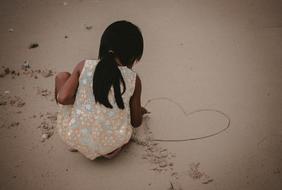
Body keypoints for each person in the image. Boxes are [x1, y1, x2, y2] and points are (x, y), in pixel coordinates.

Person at [54, 20, 148, 160]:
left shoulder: (84, 65)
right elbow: (136, 122)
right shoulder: (133, 79)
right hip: (112, 144)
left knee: (62, 77)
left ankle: (82, 140)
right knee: (118, 107)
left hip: (75, 136)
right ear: (132, 56)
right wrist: (138, 110)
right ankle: (111, 149)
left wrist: (82, 99)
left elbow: (63, 98)